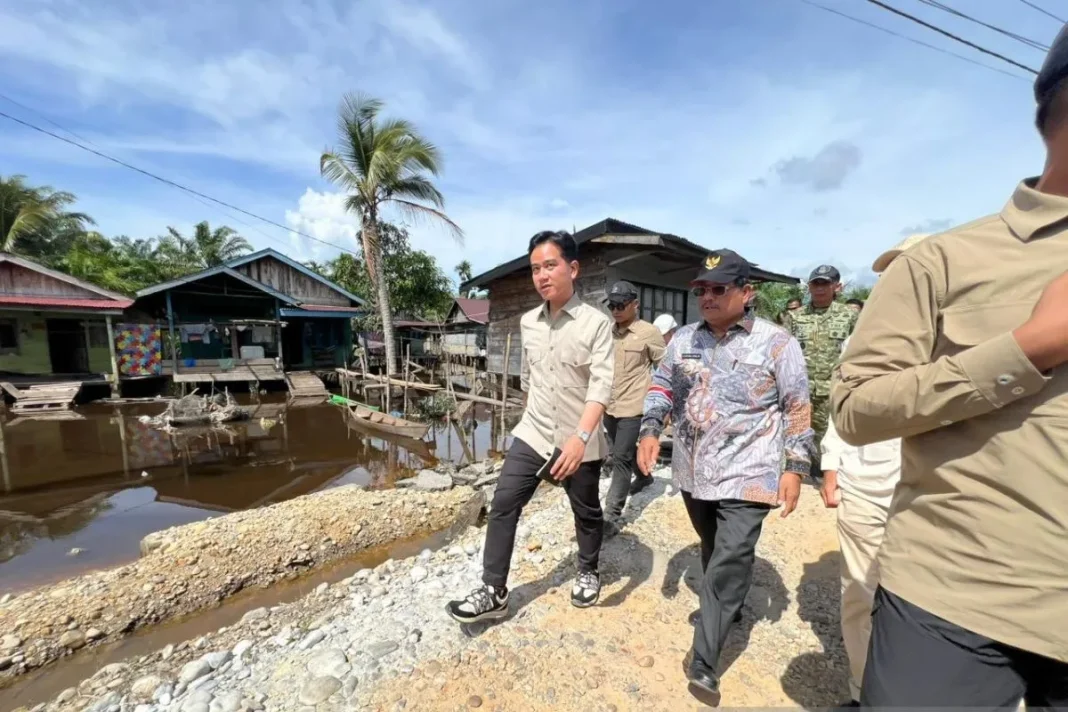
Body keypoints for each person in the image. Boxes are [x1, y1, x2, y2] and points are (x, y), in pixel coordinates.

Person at [832, 28, 1068, 708]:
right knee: (856, 596)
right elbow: (852, 404)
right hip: (958, 592)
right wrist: (1028, 348)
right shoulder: (944, 262)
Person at [637, 249, 811, 704]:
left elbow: (797, 406)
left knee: (731, 556)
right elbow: (661, 385)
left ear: (746, 292)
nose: (707, 297)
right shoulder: (683, 340)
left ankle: (704, 660)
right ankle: (727, 604)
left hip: (750, 471)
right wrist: (650, 429)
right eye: (702, 289)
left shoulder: (777, 343)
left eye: (718, 288)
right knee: (714, 547)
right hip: (694, 471)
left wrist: (795, 467)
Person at [446, 230, 614, 622]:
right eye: (536, 269)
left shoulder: (596, 324)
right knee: (503, 503)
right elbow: (529, 380)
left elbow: (601, 387)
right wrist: (524, 422)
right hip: (534, 432)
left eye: (550, 265)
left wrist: (581, 438)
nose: (541, 275)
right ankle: (494, 590)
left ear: (573, 269)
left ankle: (588, 569)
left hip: (579, 438)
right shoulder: (528, 322)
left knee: (586, 510)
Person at [819, 233, 928, 707]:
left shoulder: (969, 339)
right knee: (859, 596)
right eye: (891, 273)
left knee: (922, 606)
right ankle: (864, 691)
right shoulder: (861, 340)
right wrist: (831, 466)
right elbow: (842, 408)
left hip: (932, 495)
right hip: (865, 485)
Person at [783, 264, 857, 479]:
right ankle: (804, 474)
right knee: (799, 432)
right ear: (809, 287)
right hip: (802, 389)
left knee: (832, 435)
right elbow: (784, 351)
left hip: (834, 388)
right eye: (815, 283)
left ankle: (830, 476)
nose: (820, 288)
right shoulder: (795, 317)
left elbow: (859, 350)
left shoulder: (849, 316)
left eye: (825, 284)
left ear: (837, 287)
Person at [603, 281, 666, 531]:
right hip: (609, 405)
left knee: (620, 457)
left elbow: (666, 368)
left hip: (634, 406)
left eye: (621, 305)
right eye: (612, 306)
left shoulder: (649, 332)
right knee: (623, 451)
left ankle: (611, 515)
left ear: (635, 305)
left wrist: (664, 407)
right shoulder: (607, 333)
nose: (616, 310)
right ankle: (644, 477)